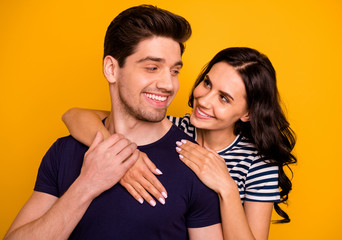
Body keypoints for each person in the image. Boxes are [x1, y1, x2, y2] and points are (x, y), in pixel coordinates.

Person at [4, 5, 223, 240]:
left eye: (174, 71)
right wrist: (88, 184)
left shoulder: (194, 162)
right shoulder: (64, 151)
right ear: (111, 69)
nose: (169, 85)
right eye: (152, 68)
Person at [63, 47, 297, 240]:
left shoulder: (258, 163)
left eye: (223, 98)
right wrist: (125, 158)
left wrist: (226, 187)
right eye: (207, 83)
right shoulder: (169, 128)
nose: (204, 100)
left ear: (247, 113)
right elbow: (74, 116)